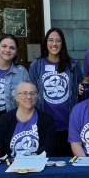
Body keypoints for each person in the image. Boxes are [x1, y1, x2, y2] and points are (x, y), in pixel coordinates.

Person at [29, 28, 82, 156]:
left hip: (69, 122)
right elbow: (31, 93)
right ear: (46, 43)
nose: (54, 44)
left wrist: (82, 88)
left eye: (58, 40)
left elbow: (81, 92)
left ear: (62, 43)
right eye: (51, 40)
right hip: (44, 123)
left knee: (69, 161)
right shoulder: (36, 66)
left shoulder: (73, 65)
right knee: (47, 161)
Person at [0, 81, 57, 160]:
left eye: (32, 93)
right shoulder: (5, 119)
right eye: (24, 93)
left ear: (36, 97)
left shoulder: (46, 119)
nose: (29, 97)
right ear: (16, 97)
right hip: (10, 166)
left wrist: (32, 158)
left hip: (37, 164)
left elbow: (50, 146)